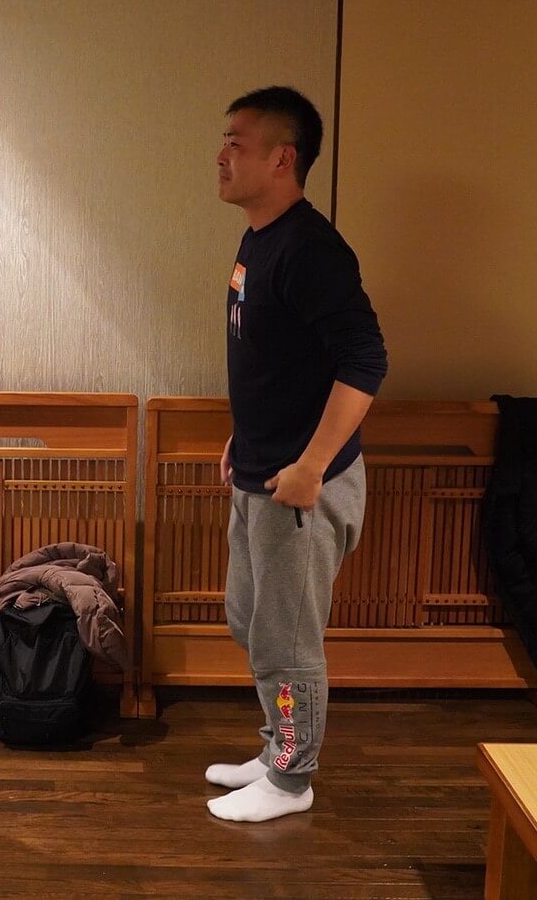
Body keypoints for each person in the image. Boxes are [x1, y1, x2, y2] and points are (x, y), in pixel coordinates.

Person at [204, 86, 388, 823]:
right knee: (250, 621)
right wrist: (243, 434)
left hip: (300, 485)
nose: (221, 155)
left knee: (287, 643)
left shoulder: (313, 251)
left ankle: (290, 778)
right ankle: (275, 746)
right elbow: (278, 360)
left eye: (237, 143)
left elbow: (365, 363)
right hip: (260, 468)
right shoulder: (260, 238)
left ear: (283, 158)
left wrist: (311, 466)